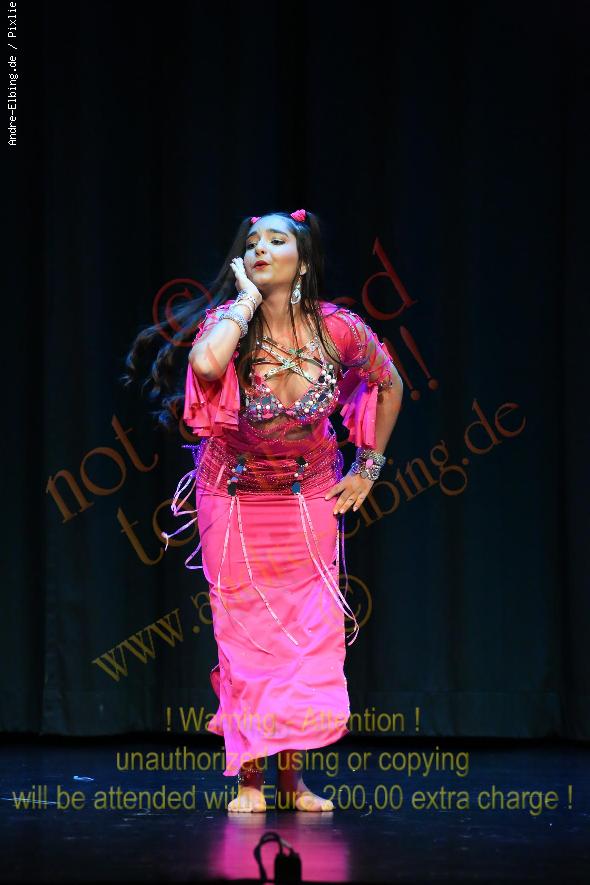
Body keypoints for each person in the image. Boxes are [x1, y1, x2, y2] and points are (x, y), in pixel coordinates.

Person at [127, 208, 403, 812]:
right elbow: (205, 366)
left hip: (308, 496)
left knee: (306, 640)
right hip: (233, 497)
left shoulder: (340, 330)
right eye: (252, 243)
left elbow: (390, 384)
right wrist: (247, 301)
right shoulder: (230, 323)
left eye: (276, 241)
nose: (261, 249)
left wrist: (368, 468)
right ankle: (251, 780)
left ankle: (293, 781)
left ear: (302, 261)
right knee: (248, 641)